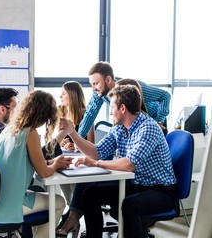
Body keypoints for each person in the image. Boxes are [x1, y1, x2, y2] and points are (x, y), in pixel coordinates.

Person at [59, 85, 177, 238]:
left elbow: (128, 165)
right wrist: (72, 133)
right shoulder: (120, 128)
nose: (110, 111)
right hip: (135, 184)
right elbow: (96, 152)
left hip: (160, 191)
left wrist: (95, 163)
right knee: (90, 194)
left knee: (130, 205)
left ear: (122, 108)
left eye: (112, 107)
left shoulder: (148, 128)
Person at [0, 90, 73, 237]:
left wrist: (50, 161)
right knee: (59, 202)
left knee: (45, 197)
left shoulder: (11, 128)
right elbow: (43, 173)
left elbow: (23, 159)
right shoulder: (30, 133)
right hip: (6, 205)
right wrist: (56, 165)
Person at [77, 62, 171, 139]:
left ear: (108, 79)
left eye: (96, 83)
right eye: (91, 84)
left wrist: (159, 121)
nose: (93, 88)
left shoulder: (131, 87)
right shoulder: (99, 92)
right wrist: (78, 140)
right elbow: (90, 114)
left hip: (154, 119)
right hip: (132, 123)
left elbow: (165, 96)